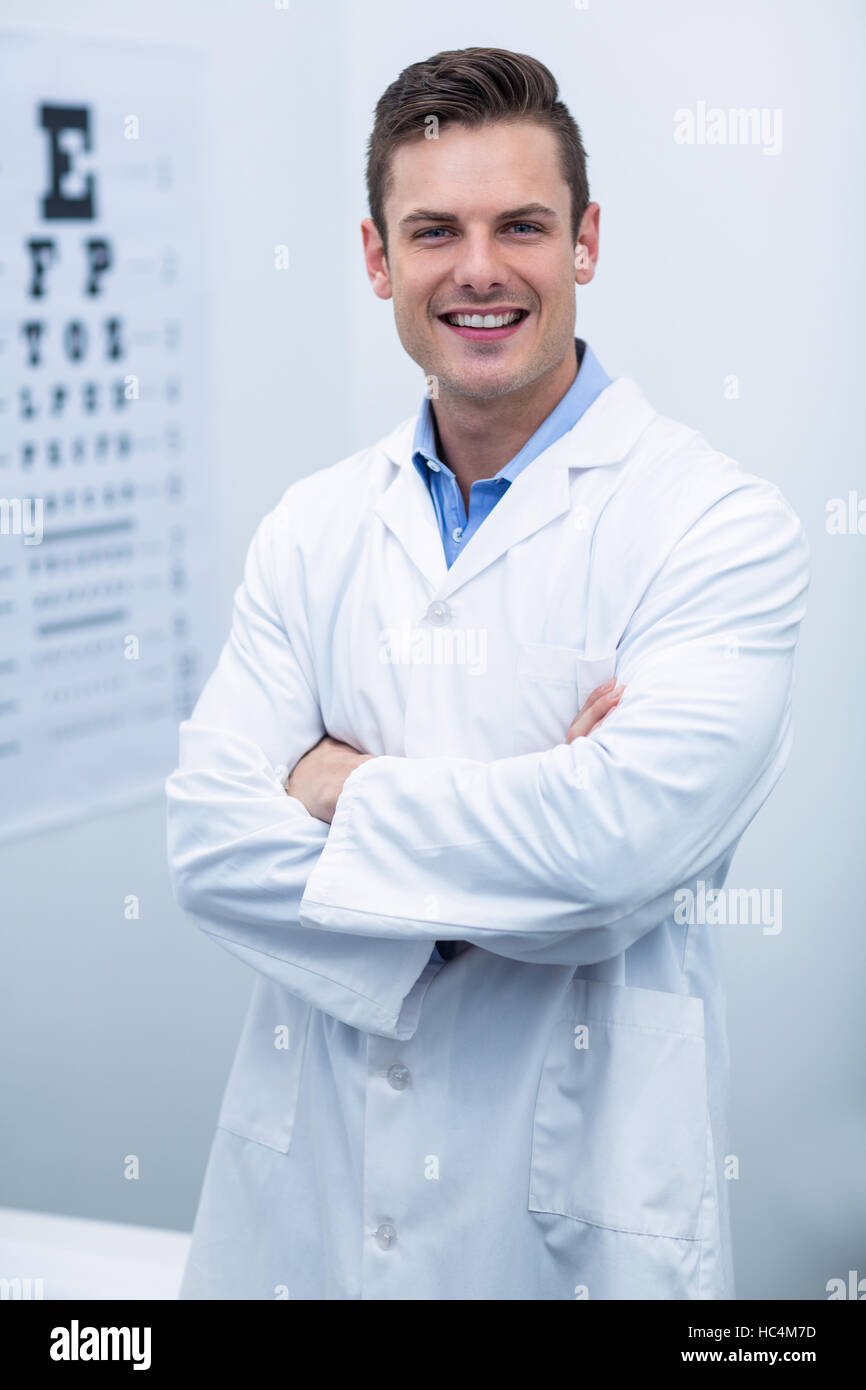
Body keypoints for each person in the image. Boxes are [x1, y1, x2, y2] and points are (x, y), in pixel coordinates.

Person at [166, 46, 809, 1300]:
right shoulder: (311, 527)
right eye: (433, 231)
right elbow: (205, 844)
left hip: (573, 1224)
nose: (477, 269)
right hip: (309, 1215)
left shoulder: (715, 525)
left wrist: (335, 786)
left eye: (519, 224)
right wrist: (539, 838)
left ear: (583, 242)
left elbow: (611, 855)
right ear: (375, 259)